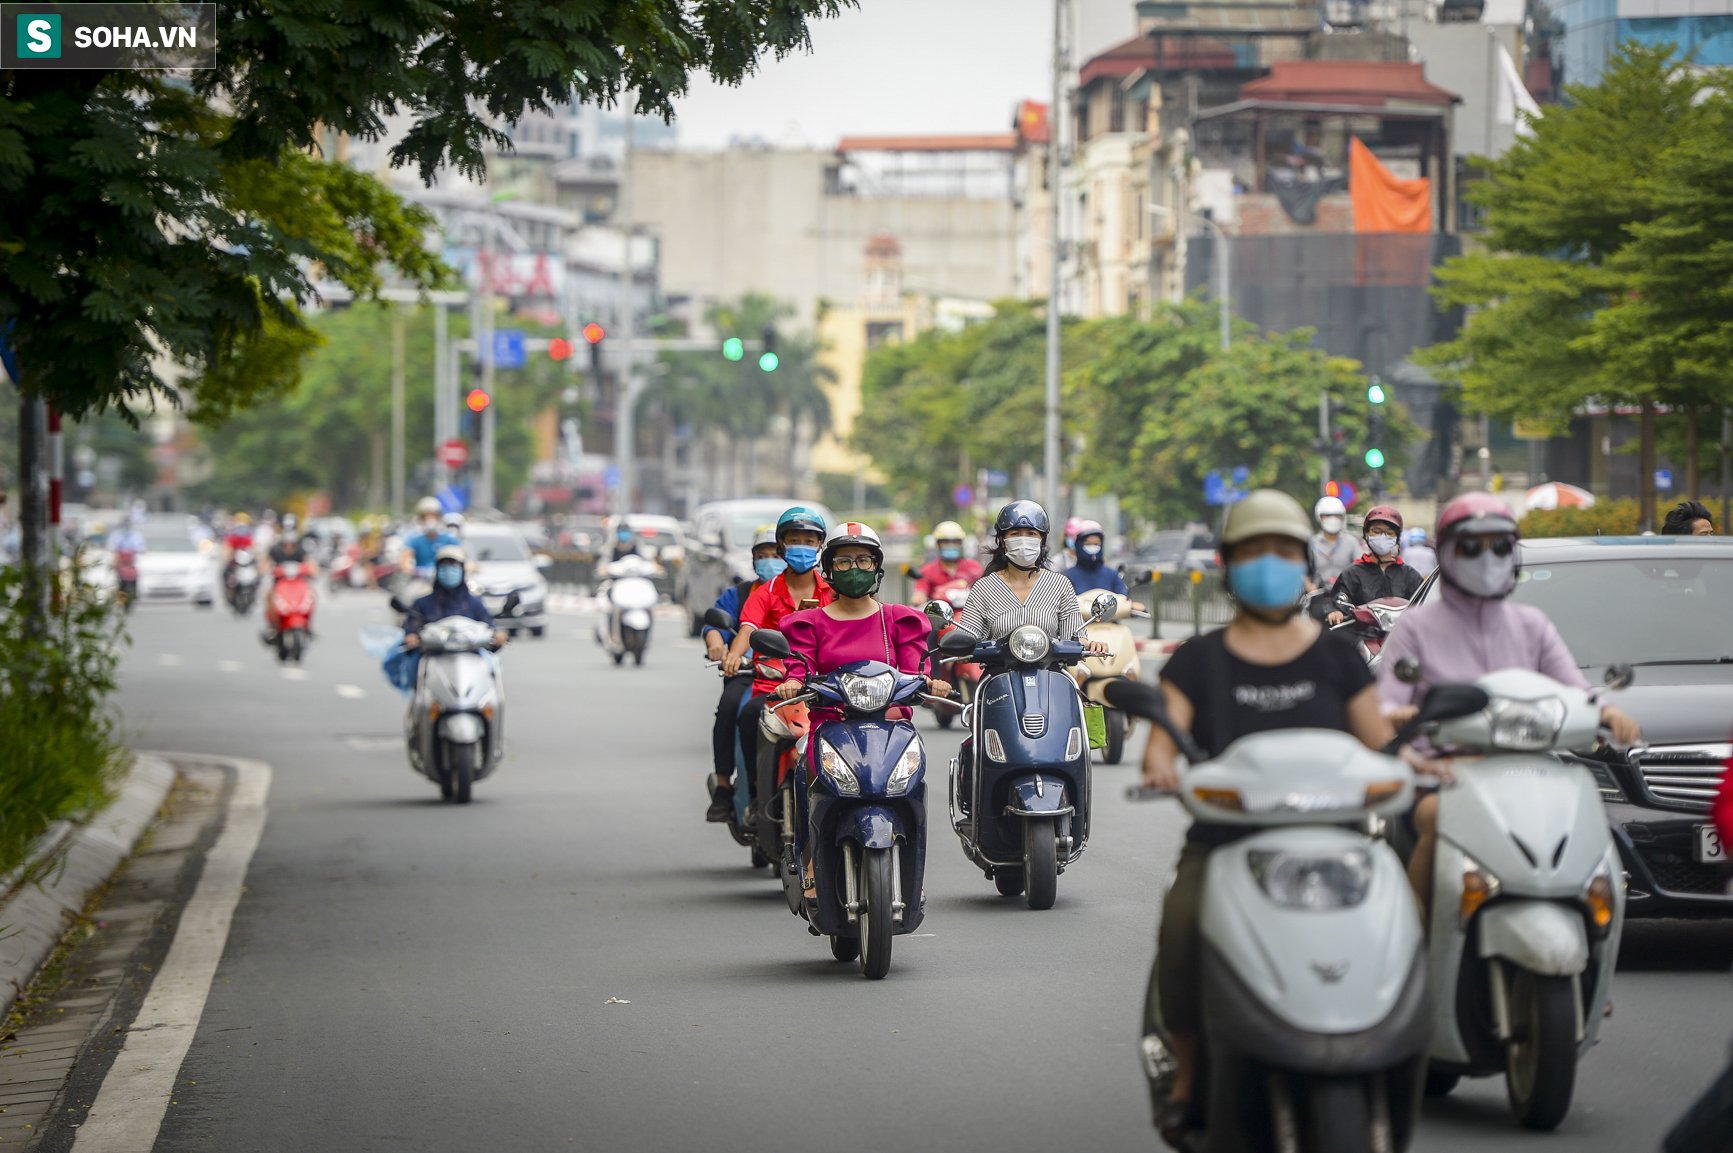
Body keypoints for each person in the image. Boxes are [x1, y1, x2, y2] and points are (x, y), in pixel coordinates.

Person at [1137, 490, 1394, 1147]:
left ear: (1304, 564)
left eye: (1283, 552)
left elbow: (1379, 742)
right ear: (1227, 564)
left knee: (1400, 926)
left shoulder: (1337, 655)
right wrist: (1161, 767)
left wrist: (1418, 761)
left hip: (1338, 844)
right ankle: (1188, 1078)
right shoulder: (1197, 658)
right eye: (1254, 552)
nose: (1269, 564)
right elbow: (1163, 742)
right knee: (1181, 929)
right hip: (1224, 845)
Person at [1378, 492, 1640, 910]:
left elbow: (1576, 689)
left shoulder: (1531, 624)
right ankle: (1419, 939)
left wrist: (1607, 712)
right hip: (1440, 771)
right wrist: (1400, 715)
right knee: (1435, 821)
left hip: (1528, 770)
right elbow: (1386, 706)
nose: (1487, 557)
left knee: (1581, 813)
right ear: (1446, 553)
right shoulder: (1415, 627)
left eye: (1500, 546)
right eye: (1471, 547)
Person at [775, 522, 950, 895]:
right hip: (830, 725)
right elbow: (799, 668)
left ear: (877, 567)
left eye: (863, 560)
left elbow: (915, 669)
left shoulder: (901, 619)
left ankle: (910, 870)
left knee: (914, 781)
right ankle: (808, 855)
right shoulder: (808, 623)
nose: (854, 569)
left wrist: (929, 682)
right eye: (843, 562)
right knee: (804, 768)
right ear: (829, 570)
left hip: (891, 728)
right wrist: (792, 681)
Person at [725, 507, 833, 781]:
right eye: (795, 540)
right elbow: (748, 629)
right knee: (749, 717)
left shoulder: (833, 593)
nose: (802, 547)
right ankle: (754, 791)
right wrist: (734, 656)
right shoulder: (765, 593)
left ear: (820, 545)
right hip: (773, 688)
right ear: (782, 544)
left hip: (826, 687)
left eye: (809, 541)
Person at [704, 526, 783, 822]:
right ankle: (726, 786)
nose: (770, 561)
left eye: (776, 554)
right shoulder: (742, 595)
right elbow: (718, 627)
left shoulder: (813, 593)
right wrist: (721, 650)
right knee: (729, 709)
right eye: (762, 556)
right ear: (752, 561)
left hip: (796, 676)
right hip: (750, 673)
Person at [955, 501, 1108, 654]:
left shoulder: (1060, 584)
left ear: (1042, 540)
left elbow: (1075, 637)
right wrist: (961, 647)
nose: (1023, 539)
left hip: (1050, 673)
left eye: (1031, 534)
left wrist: (1091, 645)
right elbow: (968, 635)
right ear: (1002, 541)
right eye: (1015, 534)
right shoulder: (984, 588)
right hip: (999, 674)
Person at [1324, 504, 1424, 625]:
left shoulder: (1410, 575)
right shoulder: (1352, 574)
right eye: (1376, 531)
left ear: (1397, 538)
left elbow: (1423, 608)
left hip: (1400, 637)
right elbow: (1338, 602)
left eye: (1390, 532)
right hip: (1361, 638)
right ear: (1366, 534)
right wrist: (1336, 612)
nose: (1383, 536)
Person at [401, 546, 506, 650]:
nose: (449, 570)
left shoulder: (474, 603)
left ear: (463, 570)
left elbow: (489, 627)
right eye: (444, 565)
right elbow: (411, 627)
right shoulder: (423, 603)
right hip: (433, 655)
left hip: (470, 655)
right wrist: (411, 636)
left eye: (454, 565)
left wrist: (497, 636)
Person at [911, 520, 982, 605]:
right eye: (946, 542)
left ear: (961, 544)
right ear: (938, 544)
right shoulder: (927, 571)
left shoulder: (973, 567)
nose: (951, 545)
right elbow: (919, 594)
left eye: (955, 542)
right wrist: (920, 597)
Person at [1063, 518, 1128, 596]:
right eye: (1087, 544)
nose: (1092, 547)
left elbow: (1123, 600)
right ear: (1078, 545)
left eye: (1096, 544)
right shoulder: (1068, 577)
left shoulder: (1112, 575)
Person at [1308, 495, 1358, 587]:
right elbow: (1302, 570)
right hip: (1318, 596)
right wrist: (1309, 587)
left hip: (1347, 596)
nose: (1332, 519)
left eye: (1337, 515)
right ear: (1319, 518)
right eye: (1327, 515)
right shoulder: (1311, 544)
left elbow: (1361, 568)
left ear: (1342, 518)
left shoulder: (1352, 543)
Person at [402, 498, 457, 576]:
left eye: (434, 516)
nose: (430, 520)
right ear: (421, 519)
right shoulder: (415, 539)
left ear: (439, 517)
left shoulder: (448, 538)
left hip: (444, 579)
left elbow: (461, 557)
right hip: (420, 580)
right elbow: (404, 560)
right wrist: (413, 571)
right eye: (426, 517)